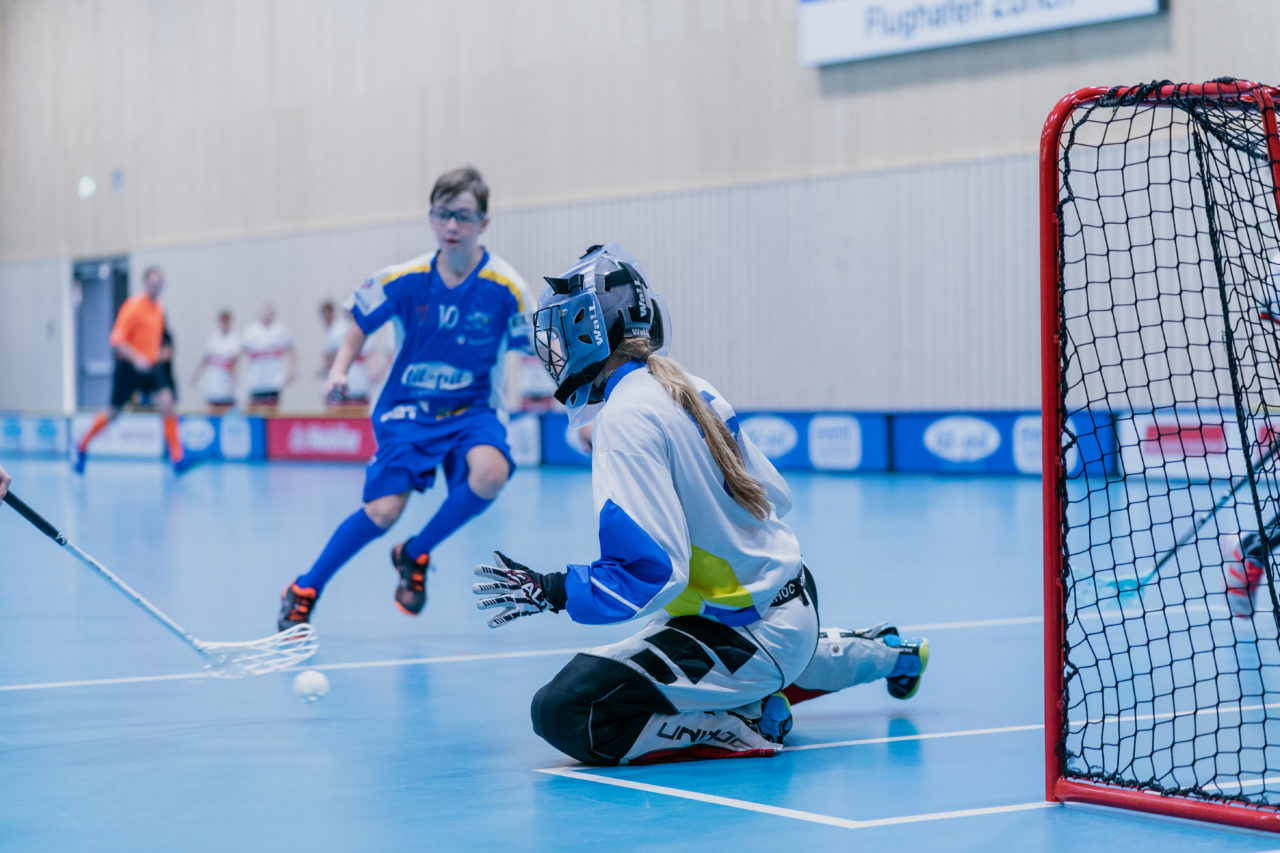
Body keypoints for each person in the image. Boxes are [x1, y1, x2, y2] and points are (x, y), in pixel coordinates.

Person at [471, 244, 929, 765]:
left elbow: (650, 574)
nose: (553, 353)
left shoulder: (625, 419)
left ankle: (745, 721)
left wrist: (553, 590)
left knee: (564, 710)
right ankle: (889, 652)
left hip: (746, 633)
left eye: (559, 335)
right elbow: (776, 497)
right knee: (775, 652)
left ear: (588, 333)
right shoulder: (690, 387)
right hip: (788, 601)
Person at [277, 165, 535, 630]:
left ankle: (416, 553)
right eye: (443, 214)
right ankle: (305, 588)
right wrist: (338, 370)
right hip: (408, 411)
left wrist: (583, 410)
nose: (452, 225)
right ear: (431, 218)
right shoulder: (404, 278)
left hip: (473, 409)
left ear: (483, 222)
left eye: (463, 216)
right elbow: (359, 324)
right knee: (383, 511)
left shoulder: (508, 288)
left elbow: (540, 350)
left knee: (491, 472)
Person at [73, 266, 191, 475]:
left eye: (159, 283)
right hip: (129, 366)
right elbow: (116, 340)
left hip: (151, 367)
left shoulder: (159, 310)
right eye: (152, 283)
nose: (155, 286)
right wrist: (137, 358)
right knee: (113, 413)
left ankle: (177, 457)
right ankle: (82, 445)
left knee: (167, 401)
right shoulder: (133, 307)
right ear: (145, 283)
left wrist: (158, 356)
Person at [241, 302, 296, 413]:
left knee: (272, 412)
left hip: (273, 381)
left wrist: (291, 371)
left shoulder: (280, 330)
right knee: (254, 413)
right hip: (256, 381)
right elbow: (241, 352)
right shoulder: (252, 331)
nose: (266, 315)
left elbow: (291, 351)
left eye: (269, 313)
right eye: (264, 313)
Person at [191, 309, 241, 414]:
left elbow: (234, 362)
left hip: (226, 384)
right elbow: (206, 359)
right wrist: (196, 375)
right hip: (213, 383)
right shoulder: (213, 338)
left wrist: (233, 382)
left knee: (227, 412)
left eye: (227, 320)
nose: (225, 323)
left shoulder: (234, 339)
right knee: (211, 411)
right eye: (223, 320)